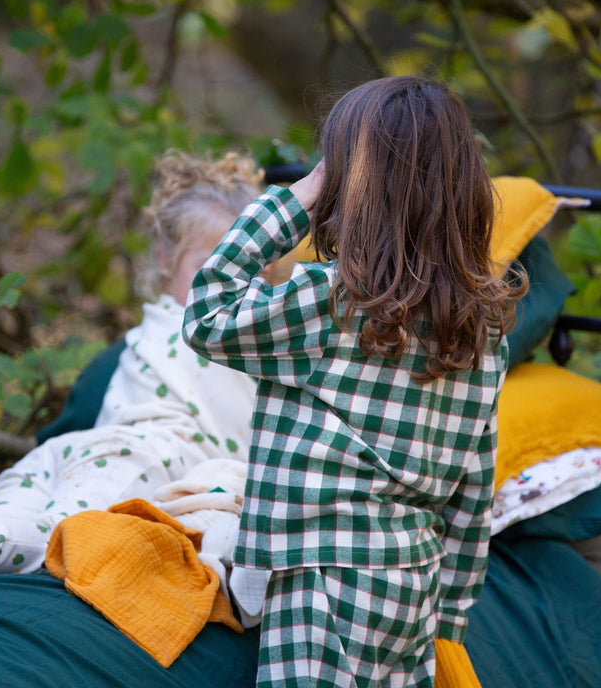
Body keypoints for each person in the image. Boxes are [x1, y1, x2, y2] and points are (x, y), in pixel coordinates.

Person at [183, 75, 527, 687]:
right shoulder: (481, 331)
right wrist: (449, 618)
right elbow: (474, 493)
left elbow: (207, 317)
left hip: (322, 576)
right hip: (412, 582)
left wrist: (291, 201)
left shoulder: (331, 301)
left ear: (345, 191)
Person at [0, 150, 261, 574]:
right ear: (164, 259)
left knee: (28, 528)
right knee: (52, 524)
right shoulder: (194, 337)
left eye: (246, 273)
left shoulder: (238, 341)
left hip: (113, 456)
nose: (226, 287)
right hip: (135, 452)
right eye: (209, 269)